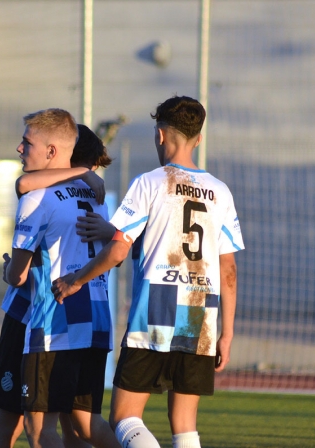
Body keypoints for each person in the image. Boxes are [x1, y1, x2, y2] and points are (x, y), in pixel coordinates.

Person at [51, 95, 244, 448]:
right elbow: (228, 268)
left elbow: (121, 248)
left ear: (159, 135)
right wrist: (227, 333)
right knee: (185, 423)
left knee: (125, 417)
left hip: (155, 310)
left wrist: (77, 280)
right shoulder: (221, 192)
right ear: (198, 138)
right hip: (201, 316)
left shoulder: (150, 182)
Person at [0, 124, 114, 448]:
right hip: (88, 317)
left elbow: (19, 274)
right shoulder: (98, 200)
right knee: (76, 426)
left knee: (25, 426)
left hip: (37, 317)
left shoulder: (42, 197)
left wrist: (10, 271)